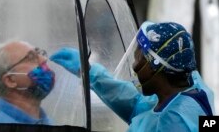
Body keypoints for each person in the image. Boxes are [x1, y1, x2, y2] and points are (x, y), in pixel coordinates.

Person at [50, 21, 215, 132]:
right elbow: (137, 104)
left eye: (138, 59)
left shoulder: (174, 122)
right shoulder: (187, 89)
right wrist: (91, 73)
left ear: (155, 67)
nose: (134, 67)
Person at [0, 41, 55, 124]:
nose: (44, 59)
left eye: (40, 53)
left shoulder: (44, 121)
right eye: (31, 57)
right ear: (10, 80)